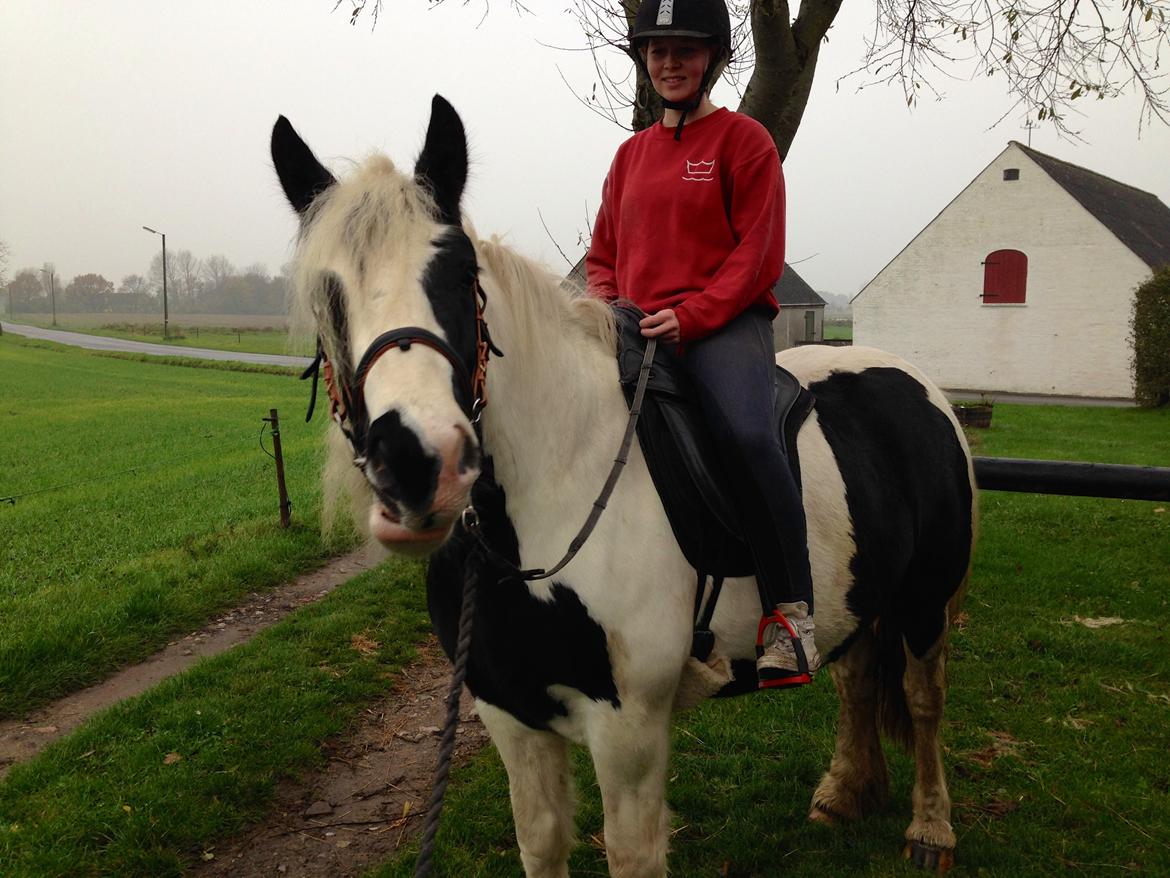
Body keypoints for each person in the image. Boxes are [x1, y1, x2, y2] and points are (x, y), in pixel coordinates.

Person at [585, 0, 820, 688]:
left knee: (747, 438)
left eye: (684, 50)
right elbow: (602, 255)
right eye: (658, 51)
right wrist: (612, 308)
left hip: (724, 324)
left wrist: (693, 316)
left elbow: (757, 256)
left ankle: (790, 616)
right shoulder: (630, 156)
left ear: (713, 56)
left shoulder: (745, 142)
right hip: (637, 327)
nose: (669, 63)